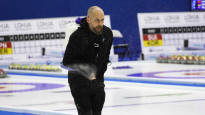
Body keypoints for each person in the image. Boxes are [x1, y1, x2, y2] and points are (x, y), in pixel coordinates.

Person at [62, 6, 113, 115]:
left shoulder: (107, 34)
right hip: (78, 81)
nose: (100, 24)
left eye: (102, 20)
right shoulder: (77, 36)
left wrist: (99, 78)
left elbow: (105, 57)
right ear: (88, 19)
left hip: (98, 81)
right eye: (97, 20)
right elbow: (67, 61)